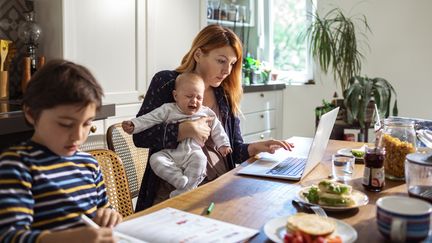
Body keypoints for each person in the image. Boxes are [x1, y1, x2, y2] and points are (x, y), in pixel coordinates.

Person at [133, 24, 294, 211]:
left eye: (232, 63)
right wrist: (184, 130)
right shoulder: (168, 82)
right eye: (221, 61)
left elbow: (232, 149)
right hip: (176, 193)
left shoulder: (224, 94)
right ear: (198, 55)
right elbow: (140, 136)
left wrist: (255, 147)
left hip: (221, 187)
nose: (227, 70)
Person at [0, 60, 122, 243]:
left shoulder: (89, 164)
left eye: (87, 123)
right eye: (65, 124)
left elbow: (104, 210)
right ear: (32, 114)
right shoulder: (16, 166)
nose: (78, 136)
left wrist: (109, 216)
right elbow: (10, 237)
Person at [122, 73, 232, 197]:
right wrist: (134, 124)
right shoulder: (168, 109)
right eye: (189, 96)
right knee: (155, 159)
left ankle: (185, 190)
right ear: (176, 96)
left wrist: (223, 144)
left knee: (201, 160)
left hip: (193, 152)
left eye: (199, 98)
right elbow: (149, 118)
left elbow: (218, 128)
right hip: (170, 153)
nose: (194, 101)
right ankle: (178, 179)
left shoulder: (205, 112)